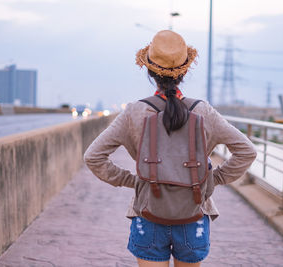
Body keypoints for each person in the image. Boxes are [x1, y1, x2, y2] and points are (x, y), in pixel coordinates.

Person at [84, 30, 257, 267]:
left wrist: (133, 181)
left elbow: (93, 157)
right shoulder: (203, 111)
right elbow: (247, 151)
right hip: (193, 214)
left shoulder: (134, 112)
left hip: (148, 213)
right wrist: (210, 180)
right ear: (185, 71)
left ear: (149, 71)